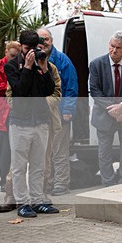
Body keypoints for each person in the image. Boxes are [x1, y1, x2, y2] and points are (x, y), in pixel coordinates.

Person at [3, 30, 59, 218]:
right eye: (27, 49)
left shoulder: (44, 64)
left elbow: (49, 89)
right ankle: (22, 203)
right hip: (20, 122)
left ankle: (37, 201)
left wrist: (42, 68)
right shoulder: (11, 66)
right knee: (19, 166)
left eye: (34, 49)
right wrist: (27, 68)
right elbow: (19, 92)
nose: (30, 53)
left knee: (39, 165)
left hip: (41, 120)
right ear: (21, 47)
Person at [89, 31, 122, 186]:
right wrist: (114, 110)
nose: (114, 50)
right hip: (104, 116)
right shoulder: (96, 64)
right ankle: (108, 184)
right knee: (104, 152)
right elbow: (95, 91)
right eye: (112, 46)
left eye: (118, 48)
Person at [37, 27, 78, 196]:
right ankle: (47, 183)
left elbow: (71, 87)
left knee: (59, 152)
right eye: (40, 39)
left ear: (51, 41)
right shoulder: (31, 60)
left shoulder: (62, 60)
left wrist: (68, 110)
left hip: (59, 113)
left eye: (46, 39)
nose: (43, 42)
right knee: (43, 152)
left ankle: (61, 184)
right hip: (39, 116)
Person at [0, 41, 21, 192]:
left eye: (16, 56)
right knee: (4, 146)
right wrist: (14, 86)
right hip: (1, 111)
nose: (13, 59)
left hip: (14, 108)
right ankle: (3, 180)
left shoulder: (19, 65)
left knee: (16, 147)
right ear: (6, 52)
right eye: (11, 56)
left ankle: (13, 178)